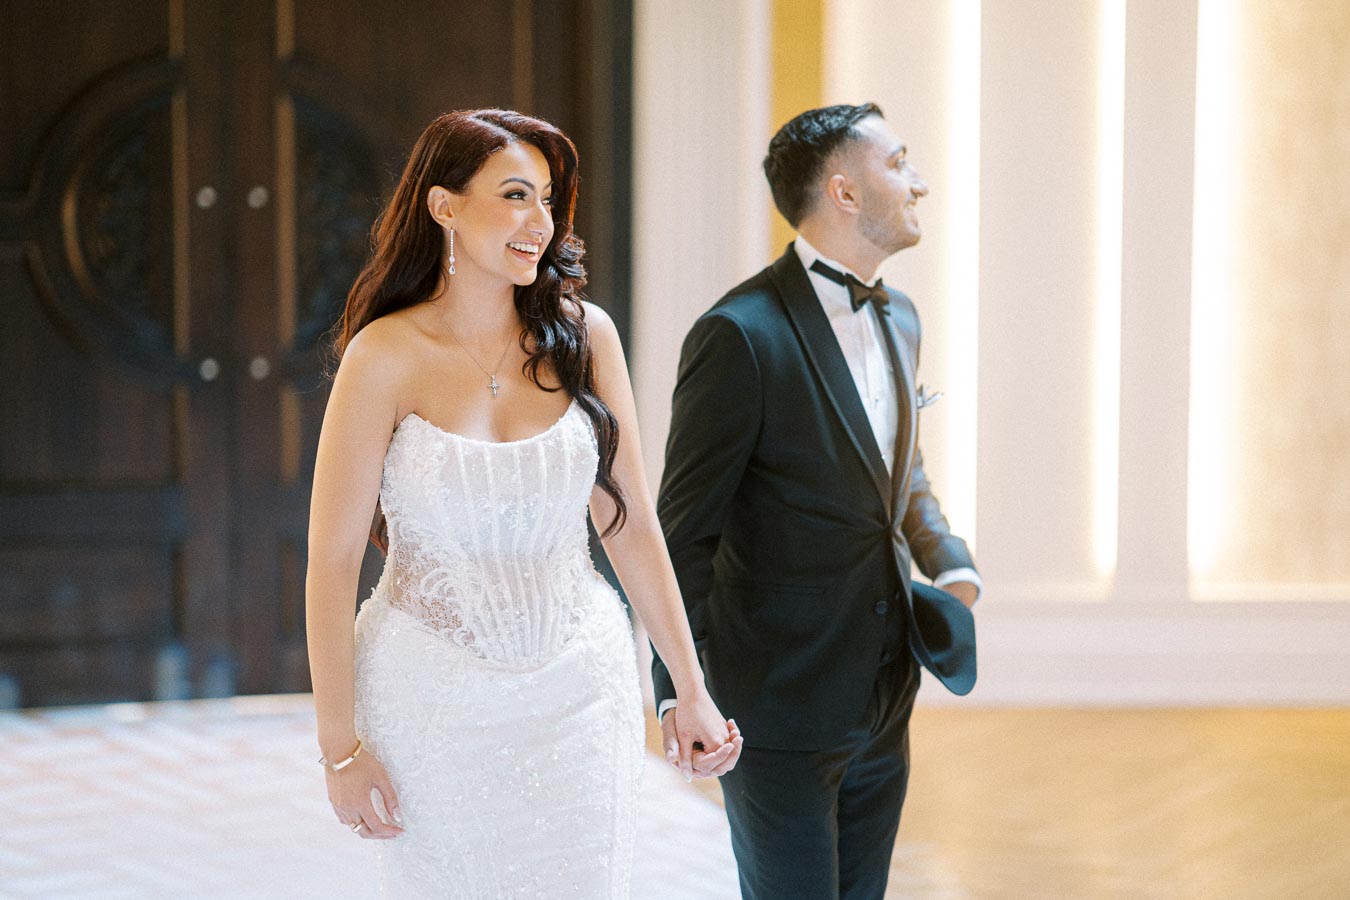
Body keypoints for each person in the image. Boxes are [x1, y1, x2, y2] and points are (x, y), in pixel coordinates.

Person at [304, 109, 742, 897]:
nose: (538, 222)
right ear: (444, 206)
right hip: (428, 698)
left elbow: (630, 522)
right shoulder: (383, 356)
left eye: (545, 199)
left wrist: (689, 688)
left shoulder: (585, 338)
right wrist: (341, 746)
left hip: (581, 688)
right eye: (513, 195)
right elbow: (333, 563)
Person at [651, 102, 982, 899]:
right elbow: (680, 533)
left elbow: (899, 475)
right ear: (843, 190)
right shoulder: (739, 334)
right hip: (773, 705)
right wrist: (679, 694)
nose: (920, 181)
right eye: (899, 162)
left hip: (884, 694)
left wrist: (952, 559)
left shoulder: (900, 317)